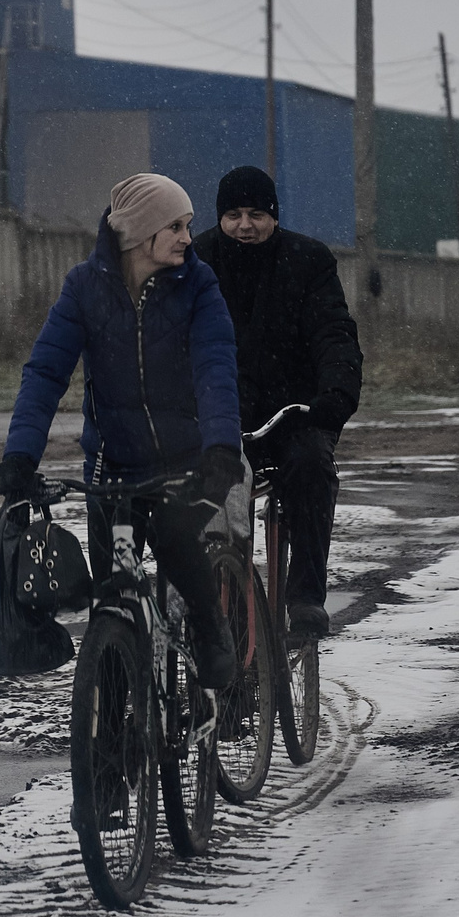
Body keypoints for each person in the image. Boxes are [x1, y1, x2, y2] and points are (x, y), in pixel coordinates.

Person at [0, 172, 244, 690]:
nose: (186, 238)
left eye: (188, 225)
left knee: (176, 534)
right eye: (174, 226)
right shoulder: (84, 289)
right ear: (138, 234)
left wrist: (221, 449)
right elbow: (45, 373)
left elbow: (215, 367)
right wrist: (20, 456)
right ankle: (110, 744)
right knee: (111, 602)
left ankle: (209, 629)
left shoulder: (199, 286)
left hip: (189, 465)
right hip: (114, 468)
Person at [190, 166, 362, 643]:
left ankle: (305, 598)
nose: (245, 225)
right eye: (234, 215)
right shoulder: (197, 260)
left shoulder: (307, 260)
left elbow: (333, 334)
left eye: (257, 215)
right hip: (222, 413)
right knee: (198, 490)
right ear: (220, 218)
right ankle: (212, 601)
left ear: (274, 216)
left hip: (294, 413)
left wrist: (335, 395)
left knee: (310, 467)